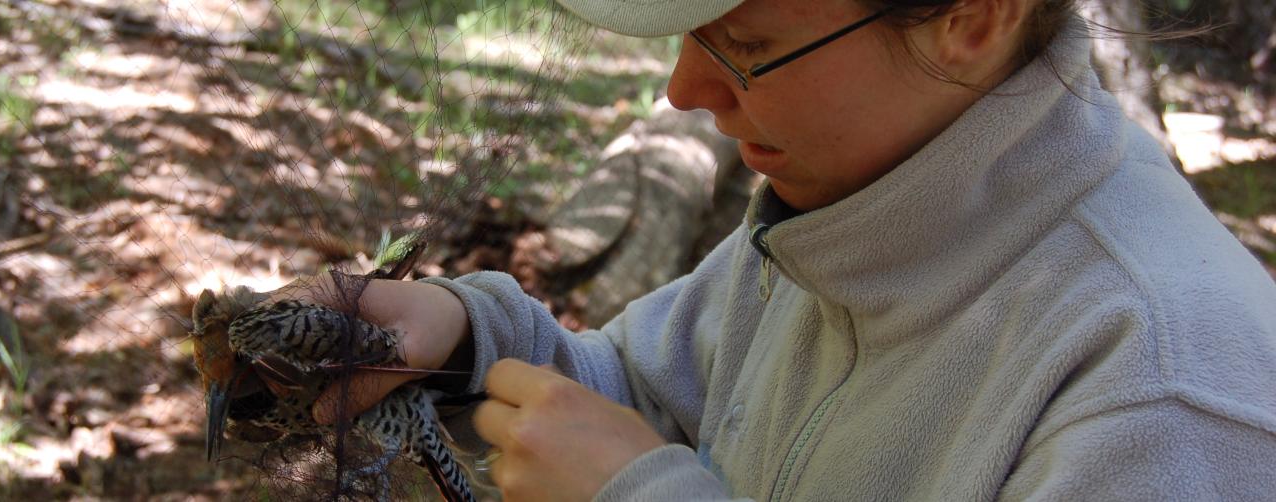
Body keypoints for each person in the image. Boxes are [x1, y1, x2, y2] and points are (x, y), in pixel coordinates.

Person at [283, 0, 1276, 500]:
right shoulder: (855, 213)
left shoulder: (1164, 386)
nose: (682, 88)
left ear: (973, 15)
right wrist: (460, 339)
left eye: (745, 44)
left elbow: (638, 465)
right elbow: (641, 387)